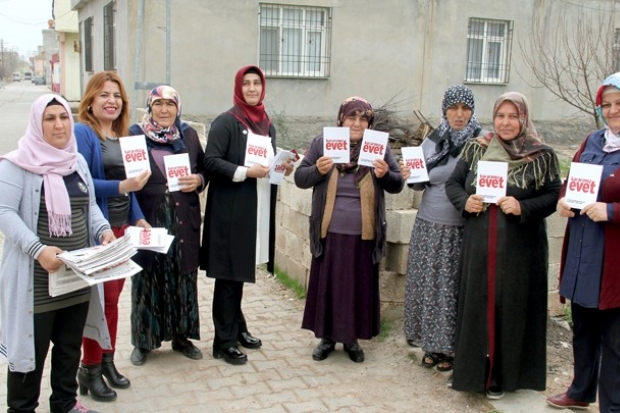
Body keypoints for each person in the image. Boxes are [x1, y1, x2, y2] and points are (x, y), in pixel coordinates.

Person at [0, 94, 113, 413]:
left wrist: (103, 230)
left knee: (68, 348)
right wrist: (38, 250)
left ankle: (64, 403)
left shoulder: (75, 161)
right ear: (37, 123)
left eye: (63, 117)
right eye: (50, 118)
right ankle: (22, 408)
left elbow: (89, 206)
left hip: (75, 280)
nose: (59, 124)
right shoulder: (16, 164)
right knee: (29, 359)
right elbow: (4, 211)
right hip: (35, 284)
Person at [445, 92, 561, 399]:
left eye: (513, 116)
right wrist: (465, 201)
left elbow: (552, 196)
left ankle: (501, 376)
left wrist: (523, 208)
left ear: (524, 119)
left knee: (509, 308)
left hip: (520, 251)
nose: (506, 122)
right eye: (500, 116)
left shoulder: (540, 155)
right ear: (493, 118)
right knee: (476, 307)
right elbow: (453, 184)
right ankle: (471, 373)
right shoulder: (477, 148)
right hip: (479, 246)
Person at [294, 96, 404, 363]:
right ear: (341, 119)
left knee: (357, 286)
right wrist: (318, 171)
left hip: (363, 234)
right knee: (329, 286)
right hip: (329, 232)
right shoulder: (323, 144)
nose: (357, 123)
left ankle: (352, 339)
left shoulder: (377, 148)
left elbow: (397, 183)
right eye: (351, 117)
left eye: (363, 119)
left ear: (369, 123)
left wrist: (384, 174)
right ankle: (328, 338)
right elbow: (300, 178)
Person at [200, 65, 292, 365]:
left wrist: (283, 166)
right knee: (228, 275)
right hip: (229, 209)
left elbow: (268, 163)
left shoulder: (266, 124)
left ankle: (237, 329)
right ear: (239, 88)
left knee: (238, 271)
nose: (252, 89)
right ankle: (222, 342)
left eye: (257, 84)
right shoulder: (225, 122)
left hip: (254, 206)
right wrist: (244, 171)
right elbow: (210, 163)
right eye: (247, 84)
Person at [74, 71, 150, 402]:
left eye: (117, 95)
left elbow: (130, 185)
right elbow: (82, 183)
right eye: (104, 94)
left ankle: (106, 360)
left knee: (113, 301)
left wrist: (139, 217)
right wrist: (122, 187)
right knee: (99, 304)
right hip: (98, 232)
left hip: (122, 230)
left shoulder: (124, 137)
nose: (111, 100)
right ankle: (88, 368)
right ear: (90, 101)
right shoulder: (83, 134)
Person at [546, 73, 620, 412]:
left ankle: (613, 405)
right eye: (607, 105)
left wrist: (613, 211)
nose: (613, 111)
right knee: (583, 329)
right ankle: (579, 392)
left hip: (613, 259)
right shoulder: (591, 142)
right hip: (582, 252)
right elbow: (572, 182)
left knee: (614, 338)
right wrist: (563, 199)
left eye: (619, 104)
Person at [401, 85, 481, 372]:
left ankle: (448, 348)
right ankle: (430, 344)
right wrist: (410, 175)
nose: (459, 115)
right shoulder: (433, 141)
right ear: (444, 110)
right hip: (427, 224)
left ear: (472, 111)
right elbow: (421, 182)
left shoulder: (480, 143)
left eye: (465, 108)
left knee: (449, 288)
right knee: (426, 284)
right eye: (453, 108)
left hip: (459, 228)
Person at [128, 85, 208, 365]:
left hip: (182, 221)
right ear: (150, 107)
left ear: (178, 107)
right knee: (146, 280)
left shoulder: (188, 135)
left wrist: (197, 181)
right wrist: (133, 217)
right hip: (147, 219)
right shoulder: (135, 135)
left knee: (182, 280)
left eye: (169, 104)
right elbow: (127, 183)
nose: (164, 109)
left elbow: (203, 170)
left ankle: (181, 337)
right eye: (158, 104)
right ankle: (143, 341)